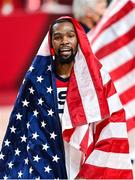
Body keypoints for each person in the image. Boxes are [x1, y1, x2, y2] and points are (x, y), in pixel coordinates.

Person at [0, 16, 133, 179]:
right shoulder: (35, 82)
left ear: (79, 39)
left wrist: (86, 174)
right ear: (51, 44)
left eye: (70, 35)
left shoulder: (98, 79)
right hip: (44, 168)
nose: (64, 41)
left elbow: (112, 127)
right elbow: (21, 130)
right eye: (58, 37)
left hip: (84, 168)